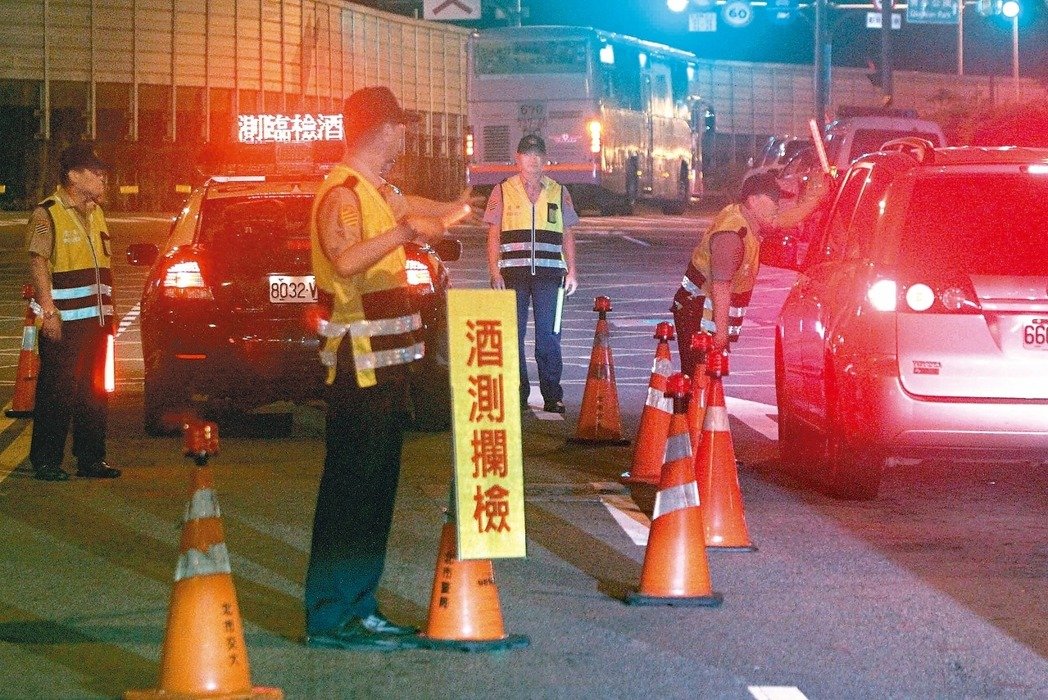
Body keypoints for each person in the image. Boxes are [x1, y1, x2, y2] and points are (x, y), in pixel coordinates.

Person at [304, 86, 458, 651]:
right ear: (383, 130)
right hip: (359, 371)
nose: (406, 136)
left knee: (373, 494)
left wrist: (455, 209)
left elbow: (415, 207)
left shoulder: (373, 188)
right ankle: (332, 614)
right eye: (401, 127)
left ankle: (358, 606)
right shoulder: (341, 193)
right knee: (352, 491)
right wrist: (406, 233)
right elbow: (345, 259)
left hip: (386, 373)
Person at [671, 171, 831, 376]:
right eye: (773, 199)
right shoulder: (733, 234)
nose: (777, 205)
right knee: (698, 380)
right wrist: (721, 334)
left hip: (704, 316)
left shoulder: (747, 219)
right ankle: (690, 408)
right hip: (698, 316)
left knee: (705, 382)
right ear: (753, 200)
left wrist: (815, 201)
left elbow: (784, 220)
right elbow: (721, 285)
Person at [26, 143, 121, 482]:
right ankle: (46, 461)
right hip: (64, 323)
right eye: (96, 173)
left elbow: (103, 267)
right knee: (56, 393)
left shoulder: (97, 213)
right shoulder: (47, 213)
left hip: (96, 322)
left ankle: (91, 459)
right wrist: (48, 312)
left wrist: (112, 313)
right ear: (73, 175)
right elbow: (38, 262)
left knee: (95, 392)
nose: (103, 178)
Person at [484, 134, 579, 414]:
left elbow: (568, 232)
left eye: (538, 154)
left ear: (545, 159)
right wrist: (494, 271)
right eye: (527, 154)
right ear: (518, 159)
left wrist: (572, 270)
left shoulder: (559, 191)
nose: (533, 160)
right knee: (513, 336)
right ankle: (518, 393)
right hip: (513, 274)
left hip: (550, 275)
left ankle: (552, 394)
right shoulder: (502, 190)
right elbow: (493, 233)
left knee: (549, 336)